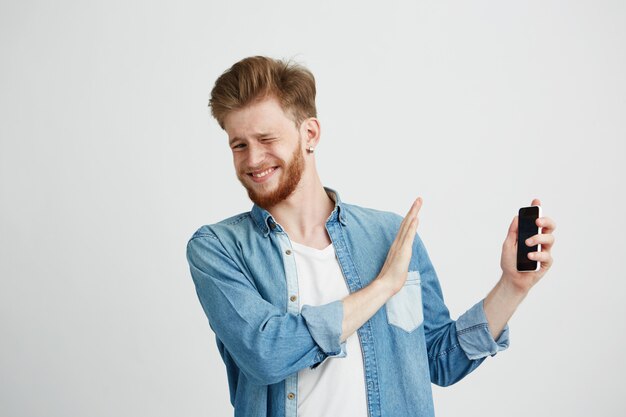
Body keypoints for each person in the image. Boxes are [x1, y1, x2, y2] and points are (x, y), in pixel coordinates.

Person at [185, 56, 556, 417]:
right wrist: (382, 287)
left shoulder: (390, 236)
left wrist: (512, 286)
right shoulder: (218, 249)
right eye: (239, 145)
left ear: (309, 133)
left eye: (266, 139)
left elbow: (439, 361)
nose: (252, 160)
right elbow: (267, 354)